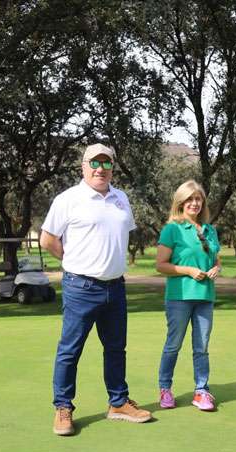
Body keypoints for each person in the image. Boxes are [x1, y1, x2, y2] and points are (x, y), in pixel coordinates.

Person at [40, 143, 152, 436]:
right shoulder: (68, 199)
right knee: (70, 350)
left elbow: (118, 235)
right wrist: (73, 260)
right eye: (94, 163)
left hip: (115, 288)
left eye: (106, 163)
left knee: (116, 348)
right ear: (83, 166)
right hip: (81, 287)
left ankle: (118, 403)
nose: (100, 169)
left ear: (113, 167)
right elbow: (48, 239)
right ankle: (63, 407)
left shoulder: (121, 199)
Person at [155, 180, 221, 411]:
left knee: (201, 347)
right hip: (179, 297)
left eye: (198, 199)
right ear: (181, 202)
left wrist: (216, 268)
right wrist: (189, 271)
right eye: (190, 199)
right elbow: (161, 265)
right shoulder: (172, 229)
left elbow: (215, 259)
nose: (194, 203)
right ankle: (165, 389)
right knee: (173, 344)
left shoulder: (210, 230)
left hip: (205, 297)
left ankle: (201, 391)